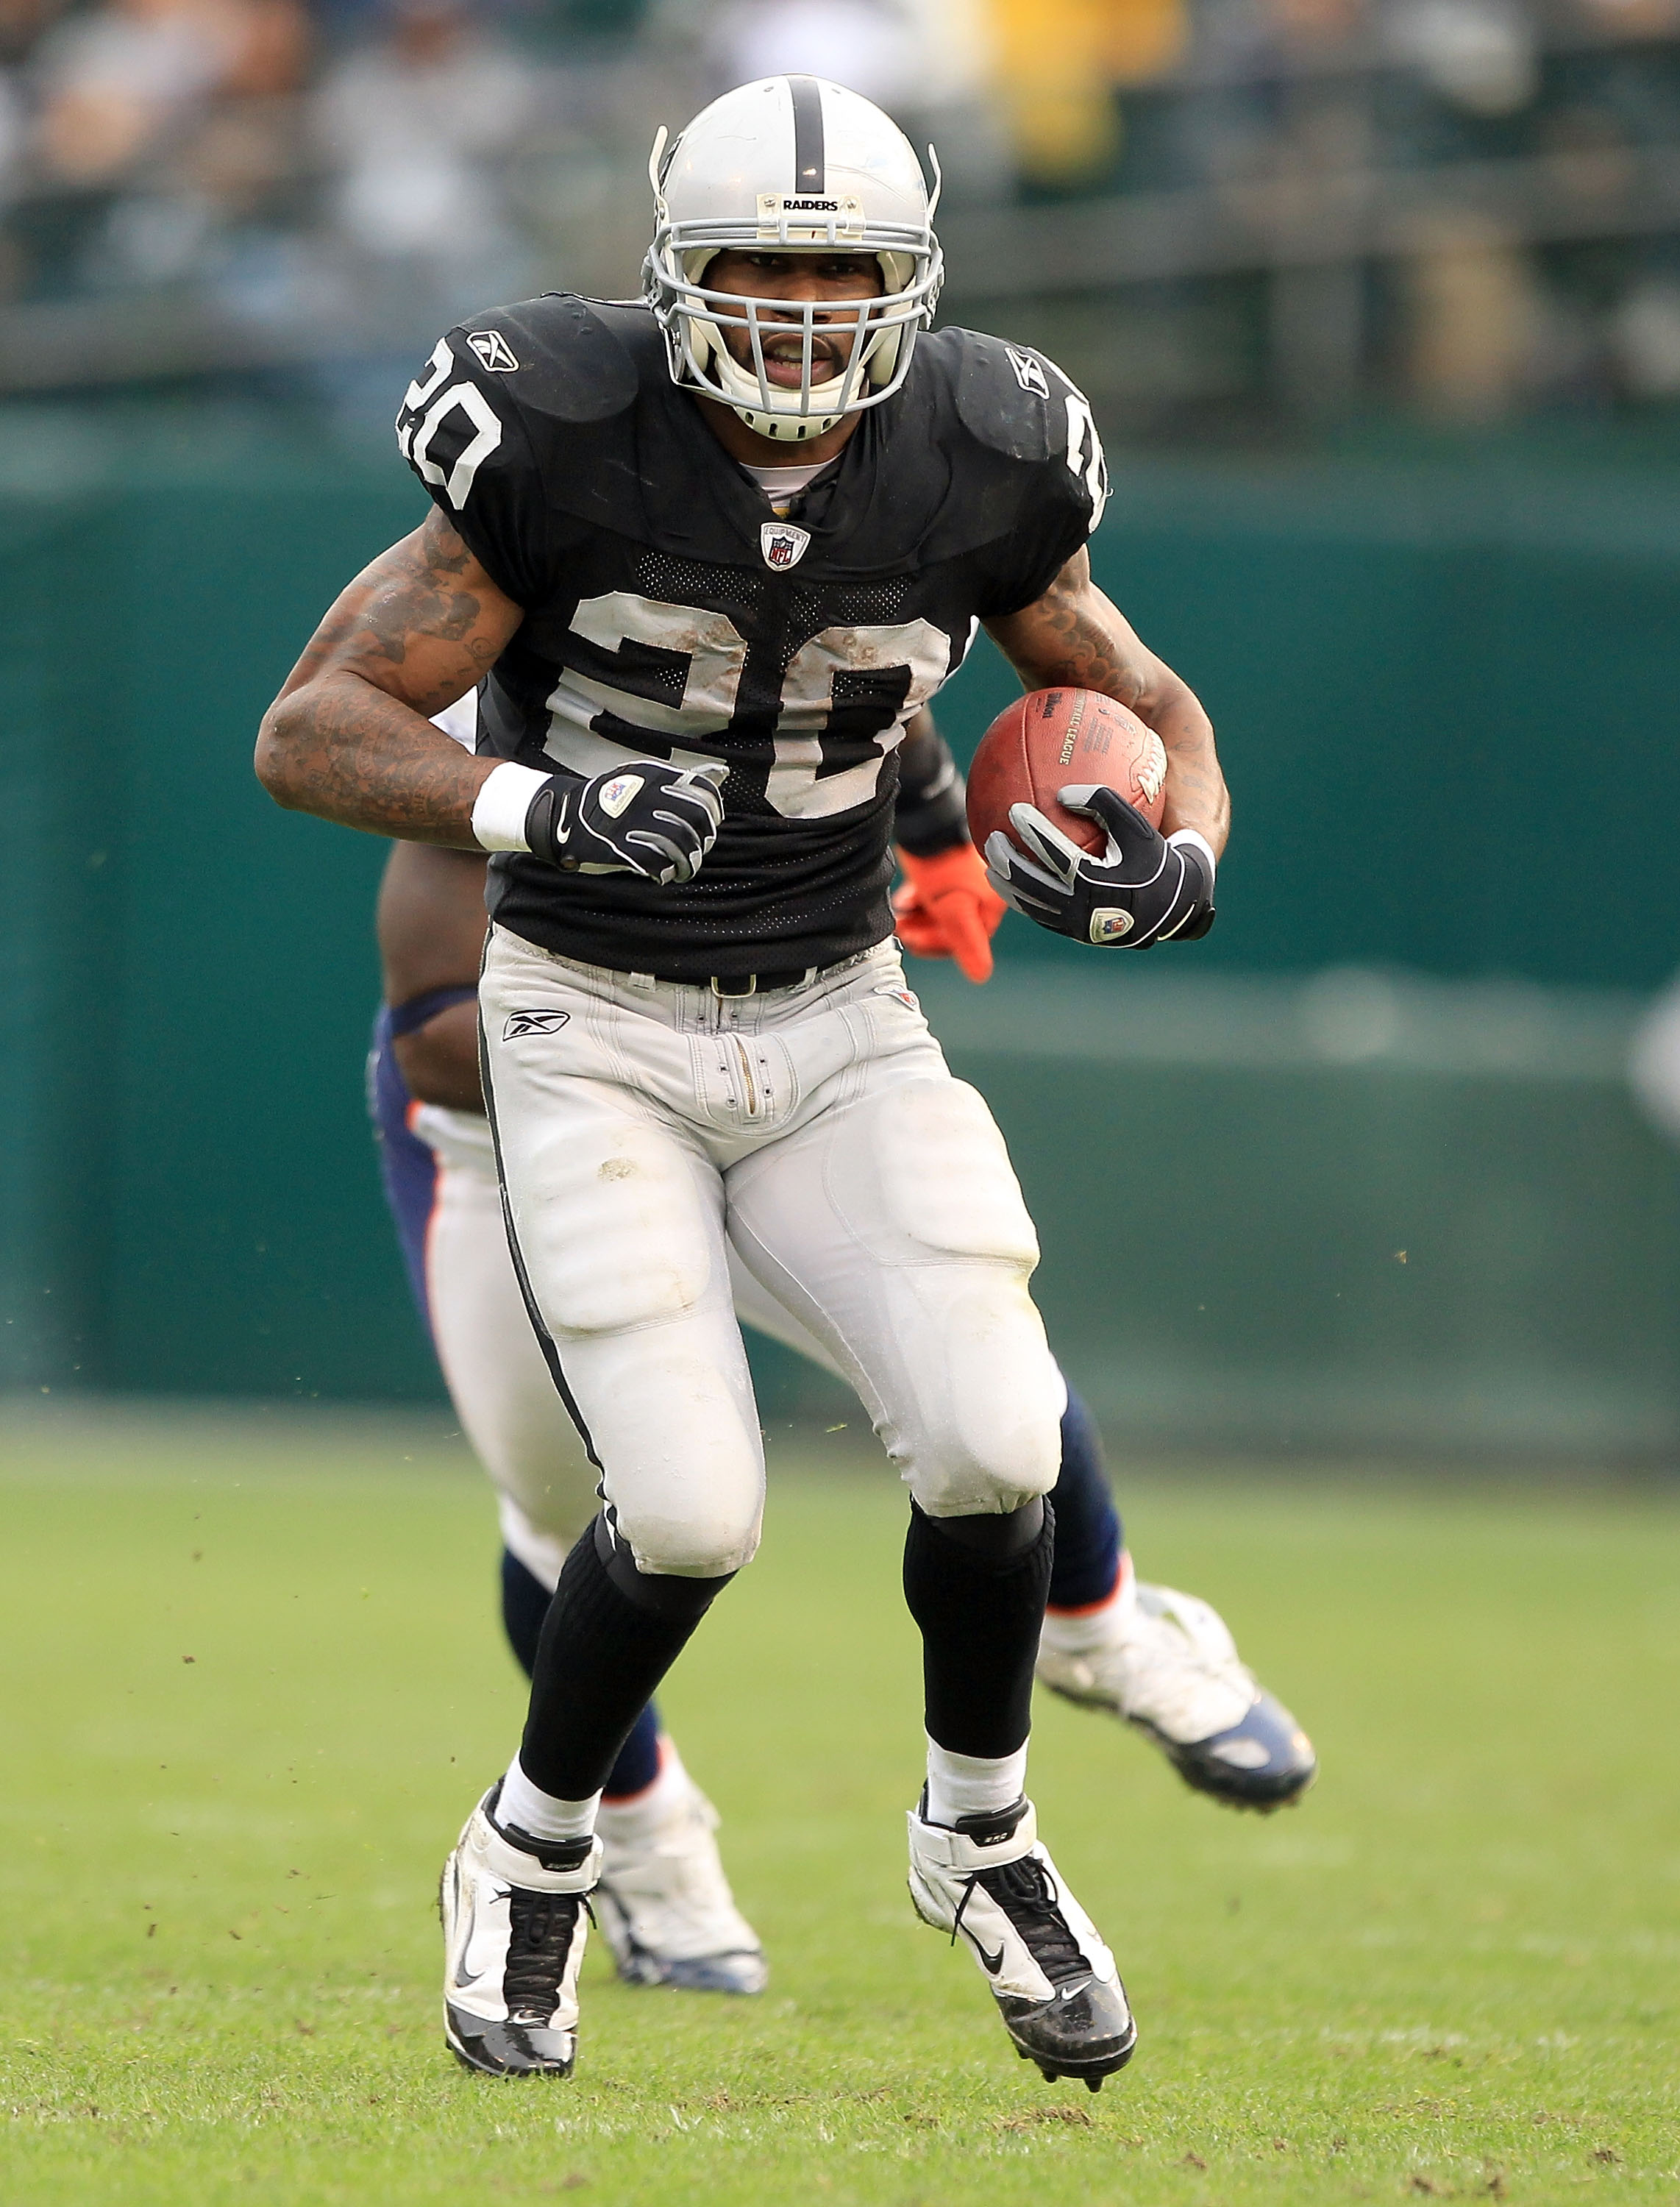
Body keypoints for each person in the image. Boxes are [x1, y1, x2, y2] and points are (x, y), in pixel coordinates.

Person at [258, 72, 1262, 2090]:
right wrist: (530, 802)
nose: (802, 323)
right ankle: (535, 1848)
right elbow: (309, 725)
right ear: (671, 277)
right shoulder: (559, 429)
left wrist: (1179, 852)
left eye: (841, 281)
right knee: (690, 1508)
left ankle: (977, 1833)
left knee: (996, 1435)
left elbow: (1150, 710)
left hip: (833, 1014)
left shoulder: (979, 455)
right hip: (592, 1019)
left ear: (912, 287)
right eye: (759, 277)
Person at [370, 697, 1313, 1997]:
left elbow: (893, 731)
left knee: (973, 1361)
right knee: (580, 1510)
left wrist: (936, 859)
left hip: (786, 1083)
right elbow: (429, 1030)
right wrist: (613, 936)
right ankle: (645, 1839)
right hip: (535, 1125)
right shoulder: (516, 692)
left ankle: (1102, 1624)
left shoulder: (803, 614)